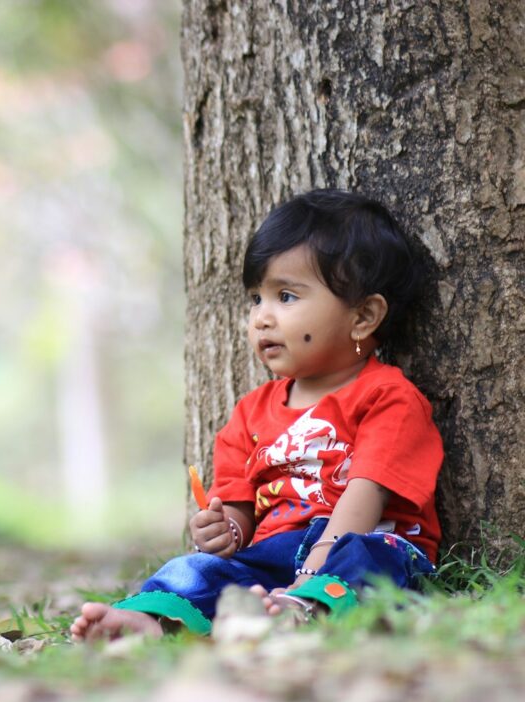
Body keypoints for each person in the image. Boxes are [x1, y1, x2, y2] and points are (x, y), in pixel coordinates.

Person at [72, 189, 443, 641]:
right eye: (256, 299)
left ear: (363, 317)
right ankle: (149, 619)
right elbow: (240, 514)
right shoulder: (250, 413)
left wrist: (314, 567)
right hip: (274, 554)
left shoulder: (388, 397)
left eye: (285, 296)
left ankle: (308, 606)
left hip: (358, 542)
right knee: (195, 568)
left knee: (371, 558)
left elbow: (365, 496)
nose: (261, 318)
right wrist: (223, 531)